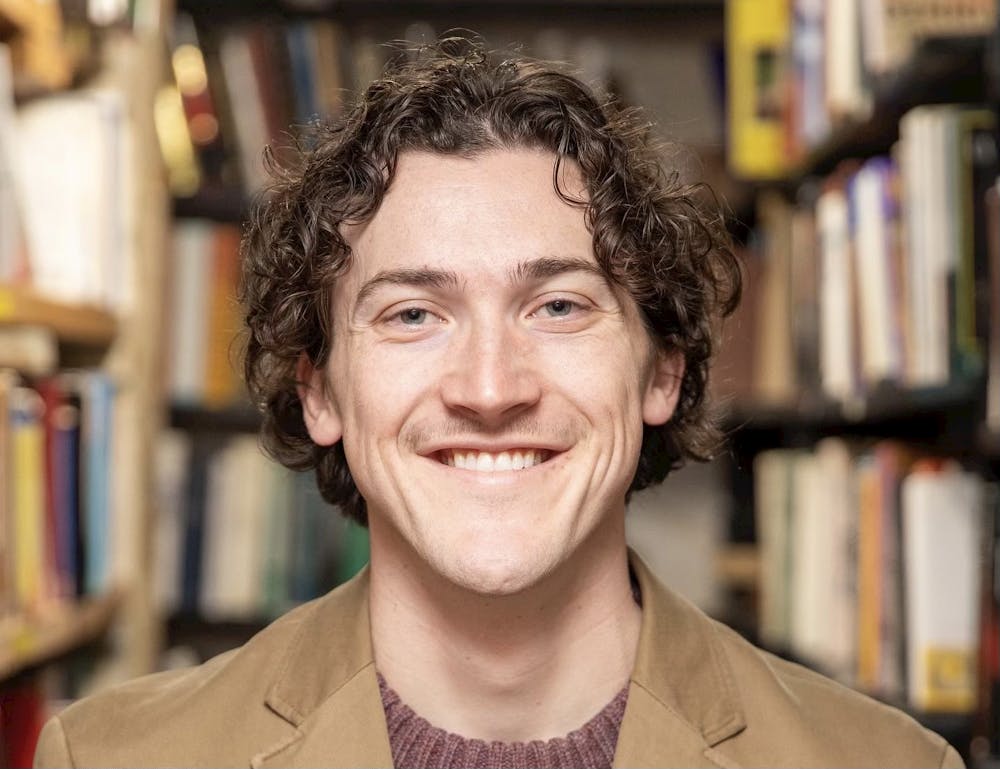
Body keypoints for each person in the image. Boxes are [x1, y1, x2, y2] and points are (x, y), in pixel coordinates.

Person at [36, 38, 961, 769]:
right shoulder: (111, 757)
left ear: (661, 372)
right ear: (318, 388)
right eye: (412, 313)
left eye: (558, 305)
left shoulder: (891, 763)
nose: (489, 388)